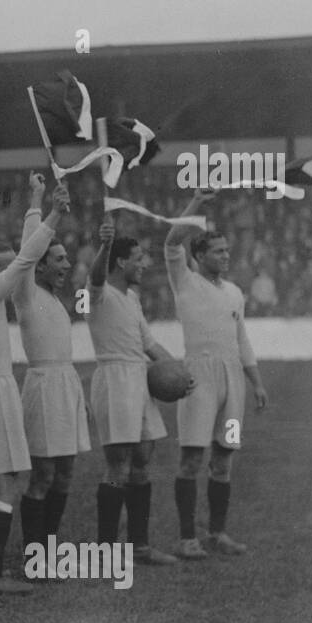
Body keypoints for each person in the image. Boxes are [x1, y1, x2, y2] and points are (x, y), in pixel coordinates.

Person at [0, 180, 68, 595]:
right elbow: (26, 259)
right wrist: (52, 213)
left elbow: (23, 259)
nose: (15, 272)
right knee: (4, 487)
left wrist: (36, 201)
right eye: (3, 267)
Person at [164, 192, 269, 558]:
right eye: (218, 251)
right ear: (200, 256)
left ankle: (217, 534)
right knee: (193, 458)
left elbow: (242, 341)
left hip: (232, 382)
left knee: (224, 458)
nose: (226, 256)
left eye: (227, 250)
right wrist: (195, 203)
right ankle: (186, 538)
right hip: (198, 379)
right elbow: (171, 240)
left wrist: (255, 382)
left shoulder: (235, 292)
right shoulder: (185, 280)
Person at [87, 218, 188, 563]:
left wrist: (180, 372)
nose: (145, 264)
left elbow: (150, 344)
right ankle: (104, 551)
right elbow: (96, 277)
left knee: (143, 460)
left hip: (139, 378)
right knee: (118, 464)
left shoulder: (131, 298)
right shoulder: (99, 294)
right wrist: (104, 244)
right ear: (120, 262)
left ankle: (140, 546)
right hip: (114, 378)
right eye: (139, 258)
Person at [14, 174, 90, 568]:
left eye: (65, 259)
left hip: (66, 386)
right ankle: (35, 557)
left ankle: (50, 550)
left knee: (65, 474)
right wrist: (41, 201)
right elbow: (29, 247)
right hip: (42, 387)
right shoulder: (25, 293)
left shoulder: (56, 300)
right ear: (38, 266)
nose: (66, 265)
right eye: (57, 260)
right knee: (43, 476)